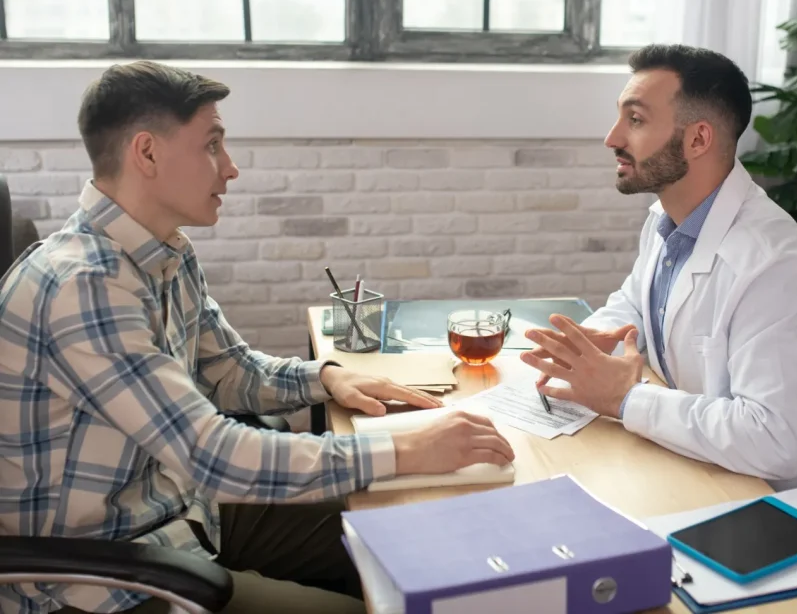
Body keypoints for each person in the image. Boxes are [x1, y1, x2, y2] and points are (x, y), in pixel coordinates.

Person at [0, 60, 515, 614]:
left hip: (185, 509)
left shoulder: (162, 252)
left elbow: (228, 371)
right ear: (146, 153)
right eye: (212, 145)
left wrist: (330, 378)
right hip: (100, 574)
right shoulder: (84, 286)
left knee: (414, 542)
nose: (231, 169)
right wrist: (407, 447)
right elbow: (211, 453)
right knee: (378, 602)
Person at [521, 44, 797, 489]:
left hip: (788, 501)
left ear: (698, 139)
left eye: (635, 120)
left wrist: (626, 398)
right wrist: (598, 341)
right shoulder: (668, 218)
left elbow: (775, 439)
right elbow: (637, 306)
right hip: (700, 470)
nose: (613, 138)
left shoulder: (769, 261)